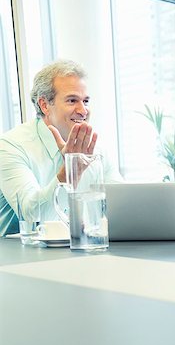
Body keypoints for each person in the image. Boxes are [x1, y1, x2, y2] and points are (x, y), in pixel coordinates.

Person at [0, 60, 122, 236]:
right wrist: (70, 172)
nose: (83, 110)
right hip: (21, 258)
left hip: (80, 251)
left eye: (86, 101)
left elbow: (121, 207)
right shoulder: (10, 146)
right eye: (72, 100)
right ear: (44, 105)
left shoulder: (96, 148)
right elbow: (32, 217)